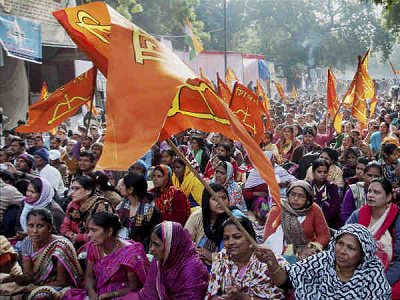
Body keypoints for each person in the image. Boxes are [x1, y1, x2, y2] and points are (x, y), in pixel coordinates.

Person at [255, 224, 392, 300]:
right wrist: (271, 261)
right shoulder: (323, 261)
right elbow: (285, 281)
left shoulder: (373, 274)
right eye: (340, 243)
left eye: (351, 248)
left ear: (363, 254)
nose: (342, 251)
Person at [0, 208, 83, 300]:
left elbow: (62, 282)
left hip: (58, 287)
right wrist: (15, 278)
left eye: (40, 226)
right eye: (30, 226)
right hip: (35, 285)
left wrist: (31, 288)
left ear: (50, 228)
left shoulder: (60, 245)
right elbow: (28, 276)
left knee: (42, 295)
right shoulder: (27, 242)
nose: (34, 231)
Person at [64, 212, 149, 300]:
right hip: (98, 294)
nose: (89, 235)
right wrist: (92, 293)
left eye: (94, 230)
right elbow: (89, 276)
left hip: (121, 296)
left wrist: (108, 295)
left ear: (109, 231)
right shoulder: (93, 247)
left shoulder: (130, 254)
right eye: (89, 230)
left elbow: (133, 288)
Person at [205, 215, 288, 300]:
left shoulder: (270, 261)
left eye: (237, 237)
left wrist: (243, 298)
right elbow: (211, 293)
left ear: (250, 237)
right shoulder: (221, 258)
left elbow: (279, 297)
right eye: (226, 238)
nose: (230, 242)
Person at [123, 221, 209, 300]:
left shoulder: (192, 269)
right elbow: (149, 294)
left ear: (171, 246)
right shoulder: (159, 261)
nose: (151, 249)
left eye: (156, 245)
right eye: (151, 243)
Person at [346, 178, 400, 297]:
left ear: (388, 197)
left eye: (377, 192)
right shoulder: (358, 215)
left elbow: (399, 259)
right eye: (369, 191)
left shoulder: (397, 219)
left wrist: (381, 282)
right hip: (355, 269)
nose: (371, 195)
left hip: (388, 273)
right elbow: (342, 240)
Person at [263, 180, 330, 261]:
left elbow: (324, 234)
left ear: (308, 199)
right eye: (293, 194)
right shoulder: (278, 209)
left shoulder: (314, 209)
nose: (295, 199)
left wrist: (311, 249)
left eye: (301, 196)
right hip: (281, 255)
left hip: (307, 254)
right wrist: (293, 255)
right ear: (288, 195)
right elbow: (268, 238)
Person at [185, 183, 235, 267]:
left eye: (224, 198)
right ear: (206, 200)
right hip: (197, 263)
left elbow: (236, 253)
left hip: (224, 267)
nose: (221, 202)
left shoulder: (233, 219)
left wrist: (212, 257)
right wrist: (198, 254)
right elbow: (185, 243)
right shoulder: (197, 217)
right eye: (215, 199)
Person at [60, 176, 114, 249]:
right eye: (72, 188)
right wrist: (70, 235)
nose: (72, 192)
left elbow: (103, 233)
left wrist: (78, 237)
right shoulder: (72, 205)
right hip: (73, 244)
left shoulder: (101, 206)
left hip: (97, 246)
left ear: (88, 191)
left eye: (77, 189)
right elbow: (64, 227)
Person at [116, 173, 161, 251]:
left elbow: (152, 235)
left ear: (130, 189)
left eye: (123, 185)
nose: (120, 187)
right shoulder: (122, 206)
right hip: (121, 247)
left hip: (142, 250)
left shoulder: (151, 210)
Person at [308, 159, 340, 228]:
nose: (322, 174)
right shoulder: (308, 185)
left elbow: (335, 205)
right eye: (319, 172)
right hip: (309, 218)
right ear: (313, 172)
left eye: (325, 172)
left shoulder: (332, 187)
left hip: (328, 221)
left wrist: (323, 219)